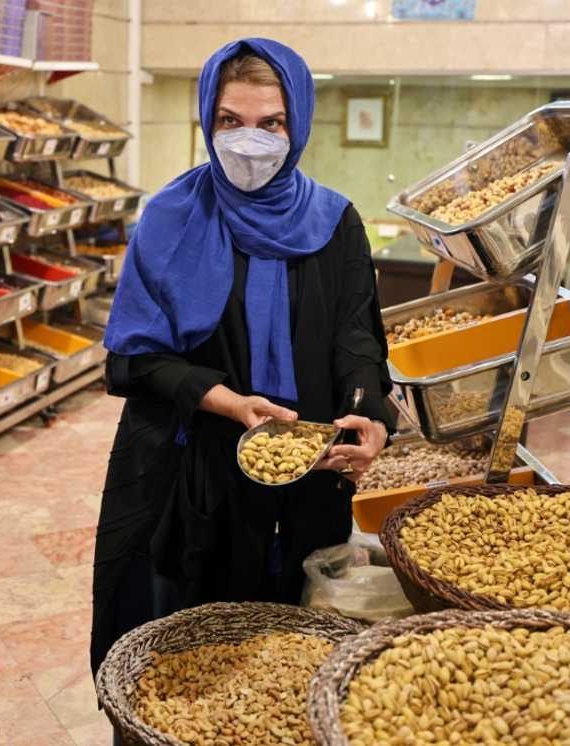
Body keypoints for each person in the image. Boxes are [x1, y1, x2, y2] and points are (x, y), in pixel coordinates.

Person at [90, 38, 397, 679]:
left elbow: (356, 338)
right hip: (202, 472)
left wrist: (370, 414)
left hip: (312, 470)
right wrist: (225, 400)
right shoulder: (171, 219)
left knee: (300, 653)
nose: (249, 140)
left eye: (271, 123)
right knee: (205, 654)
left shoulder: (334, 221)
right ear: (208, 119)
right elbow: (133, 359)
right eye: (231, 121)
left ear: (299, 124)